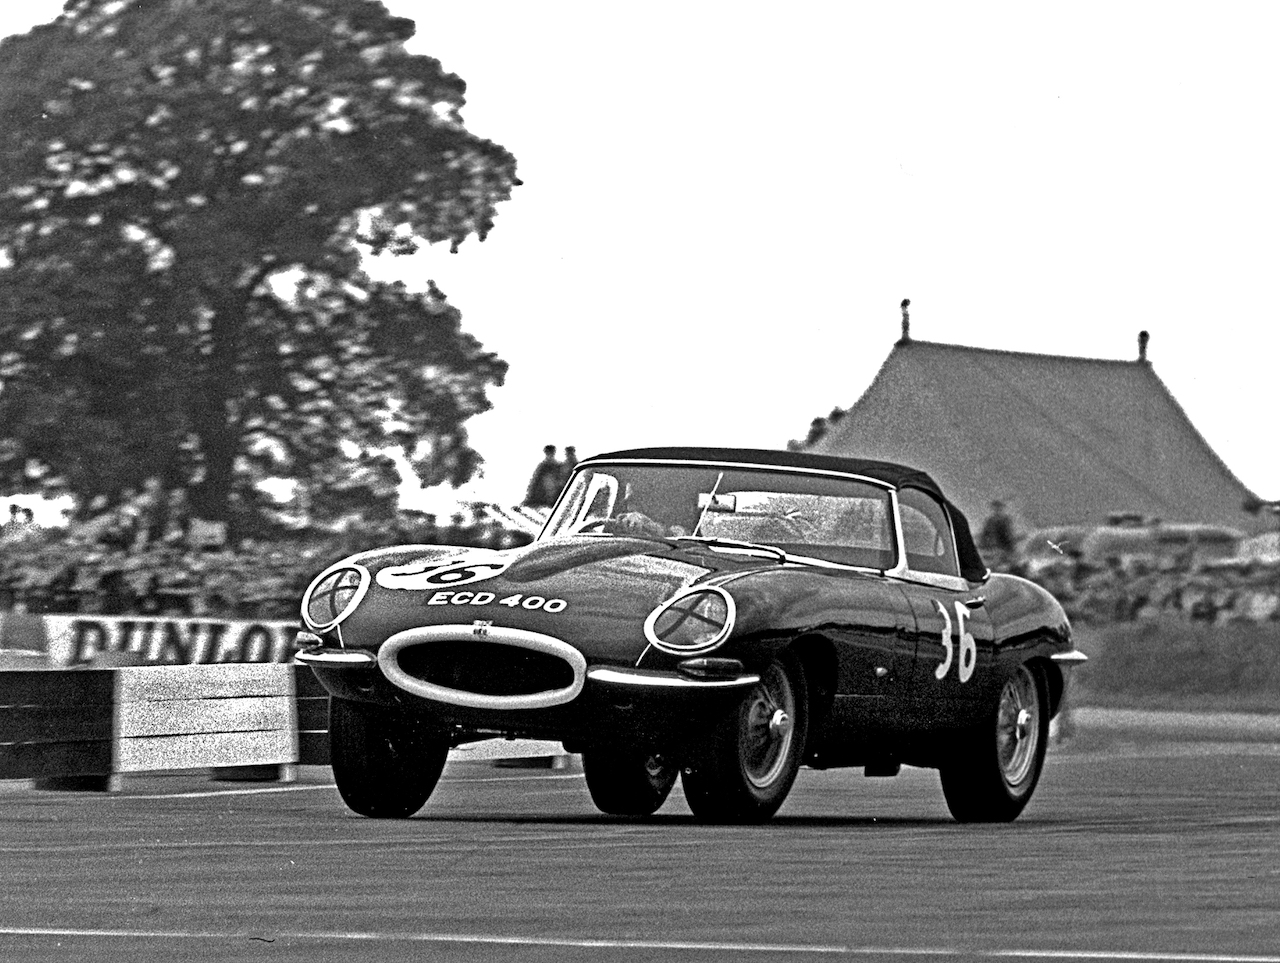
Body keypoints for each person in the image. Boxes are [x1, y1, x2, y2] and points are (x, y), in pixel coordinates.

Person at [979, 500, 1016, 570]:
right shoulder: (992, 521)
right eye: (996, 508)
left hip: (997, 549)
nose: (997, 510)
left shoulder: (992, 521)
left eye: (998, 508)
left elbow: (1008, 536)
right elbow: (1008, 536)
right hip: (998, 549)